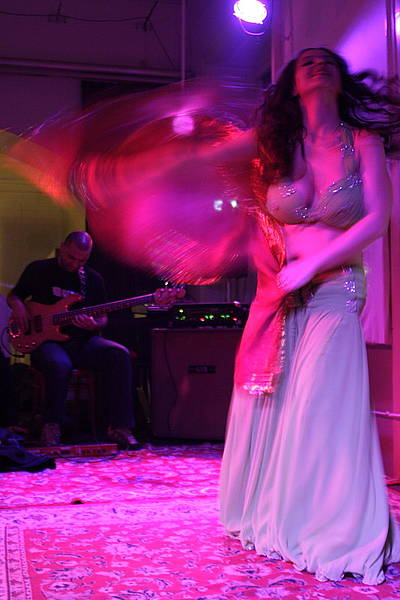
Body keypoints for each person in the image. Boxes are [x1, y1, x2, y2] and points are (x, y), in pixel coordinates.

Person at [219, 48, 400, 584]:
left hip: (337, 287)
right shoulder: (276, 149)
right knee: (280, 402)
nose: (318, 65)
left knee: (321, 400)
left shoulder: (362, 142)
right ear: (291, 85)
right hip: (282, 293)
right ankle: (283, 514)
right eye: (307, 62)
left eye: (327, 61)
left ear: (340, 78)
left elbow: (377, 220)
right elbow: (255, 220)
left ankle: (334, 527)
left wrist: (313, 265)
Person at [7, 230, 140, 448]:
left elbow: (102, 317)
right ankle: (52, 425)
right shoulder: (38, 269)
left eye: (82, 260)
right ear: (62, 247)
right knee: (59, 364)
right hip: (46, 342)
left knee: (119, 354)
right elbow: (15, 295)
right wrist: (19, 307)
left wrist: (94, 324)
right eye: (71, 257)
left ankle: (119, 427)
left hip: (82, 342)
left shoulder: (93, 279)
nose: (75, 264)